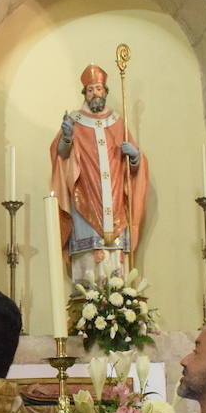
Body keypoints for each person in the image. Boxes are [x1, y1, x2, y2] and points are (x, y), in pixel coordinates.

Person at [49, 63, 149, 282]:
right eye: (91, 89)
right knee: (89, 260)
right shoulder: (74, 120)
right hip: (84, 197)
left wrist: (135, 156)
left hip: (115, 200)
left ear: (105, 92)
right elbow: (61, 155)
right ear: (84, 93)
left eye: (99, 89)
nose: (95, 93)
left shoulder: (118, 122)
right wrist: (67, 137)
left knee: (115, 261)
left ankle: (119, 295)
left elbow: (134, 168)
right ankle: (86, 295)